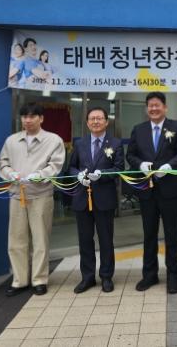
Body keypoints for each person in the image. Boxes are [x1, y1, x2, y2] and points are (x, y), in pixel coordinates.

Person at [0, 102, 65, 296]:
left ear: (41, 118)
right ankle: (19, 280)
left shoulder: (53, 140)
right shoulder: (12, 141)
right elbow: (2, 162)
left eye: (32, 116)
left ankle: (39, 279)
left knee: (40, 239)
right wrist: (9, 173)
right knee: (16, 239)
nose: (27, 120)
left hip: (41, 195)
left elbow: (56, 164)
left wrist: (40, 175)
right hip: (16, 195)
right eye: (24, 116)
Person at [126, 92, 177, 293]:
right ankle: (149, 275)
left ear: (165, 107)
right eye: (150, 105)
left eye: (157, 105)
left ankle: (173, 275)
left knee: (172, 234)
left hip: (170, 189)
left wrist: (170, 166)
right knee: (149, 234)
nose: (154, 108)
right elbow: (130, 155)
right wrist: (140, 164)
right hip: (147, 191)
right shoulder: (138, 129)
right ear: (147, 109)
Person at [69, 107, 123, 294]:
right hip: (82, 198)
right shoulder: (79, 143)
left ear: (107, 122)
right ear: (87, 122)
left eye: (99, 118)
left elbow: (119, 169)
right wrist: (78, 175)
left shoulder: (115, 143)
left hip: (104, 198)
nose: (95, 121)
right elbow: (71, 167)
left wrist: (103, 173)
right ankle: (87, 277)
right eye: (92, 118)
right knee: (85, 240)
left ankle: (106, 276)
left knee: (106, 240)